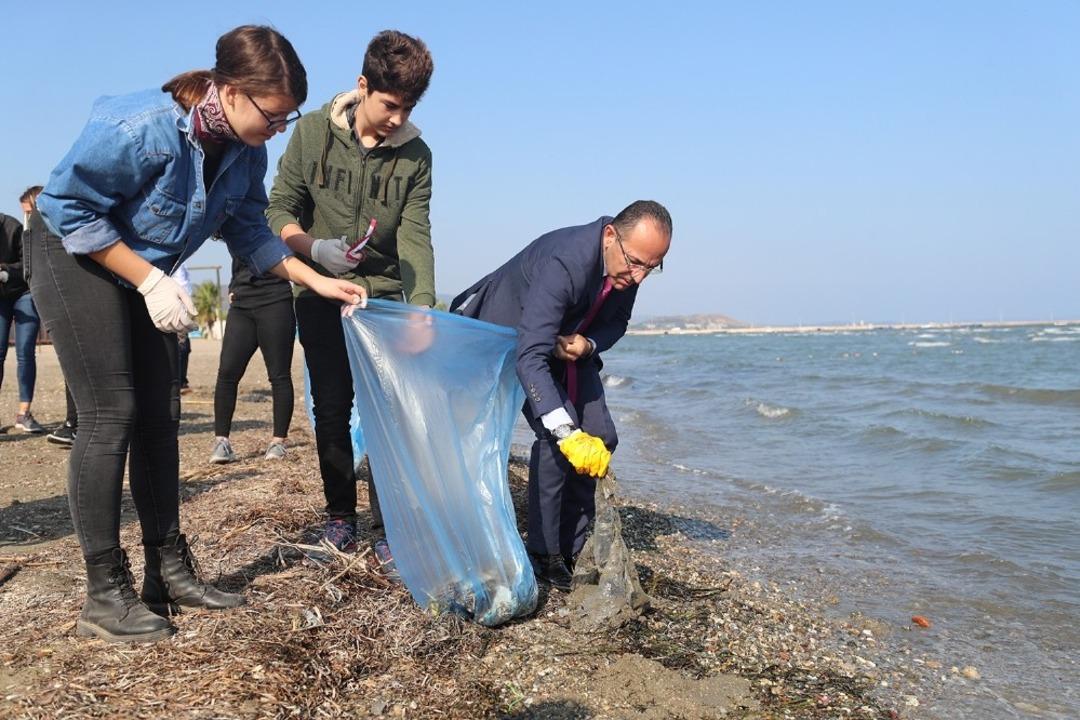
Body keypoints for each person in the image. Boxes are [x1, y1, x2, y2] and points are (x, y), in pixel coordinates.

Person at [32, 25, 366, 644]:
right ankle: (104, 593)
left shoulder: (246, 150)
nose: (279, 128)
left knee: (159, 416)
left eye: (288, 119)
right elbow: (65, 207)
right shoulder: (142, 127)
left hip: (137, 264)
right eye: (275, 115)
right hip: (72, 255)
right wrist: (151, 281)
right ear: (233, 91)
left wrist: (315, 280)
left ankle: (169, 569)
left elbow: (250, 232)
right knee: (111, 414)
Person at [266, 30, 435, 570]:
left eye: (407, 108)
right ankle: (341, 517)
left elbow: (415, 232)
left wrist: (423, 307)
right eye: (389, 104)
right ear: (363, 86)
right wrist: (313, 248)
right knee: (331, 407)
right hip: (318, 290)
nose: (396, 118)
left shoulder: (416, 155)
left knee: (388, 412)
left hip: (381, 299)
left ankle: (389, 528)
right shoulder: (312, 133)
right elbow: (277, 209)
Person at [451, 201, 672, 591]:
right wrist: (564, 429)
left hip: (565, 341)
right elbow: (530, 356)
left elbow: (617, 322)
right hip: (502, 337)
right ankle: (545, 553)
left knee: (601, 437)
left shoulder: (626, 267)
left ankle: (576, 544)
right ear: (609, 236)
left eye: (651, 269)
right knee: (558, 440)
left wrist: (588, 344)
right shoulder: (565, 261)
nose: (638, 276)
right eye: (635, 262)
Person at [209, 255, 296, 463]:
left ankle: (278, 442)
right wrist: (232, 285)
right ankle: (222, 442)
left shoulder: (283, 221)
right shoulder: (237, 220)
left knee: (279, 375)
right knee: (227, 373)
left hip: (276, 298)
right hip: (241, 301)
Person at [0, 188, 44, 434]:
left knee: (26, 351)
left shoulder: (12, 226)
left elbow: (29, 262)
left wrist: (6, 271)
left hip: (23, 291)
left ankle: (23, 413)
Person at [172, 262, 193, 394]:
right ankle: (177, 382)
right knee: (180, 347)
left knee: (184, 347)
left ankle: (181, 381)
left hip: (183, 308)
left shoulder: (182, 263)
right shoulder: (171, 261)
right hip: (174, 306)